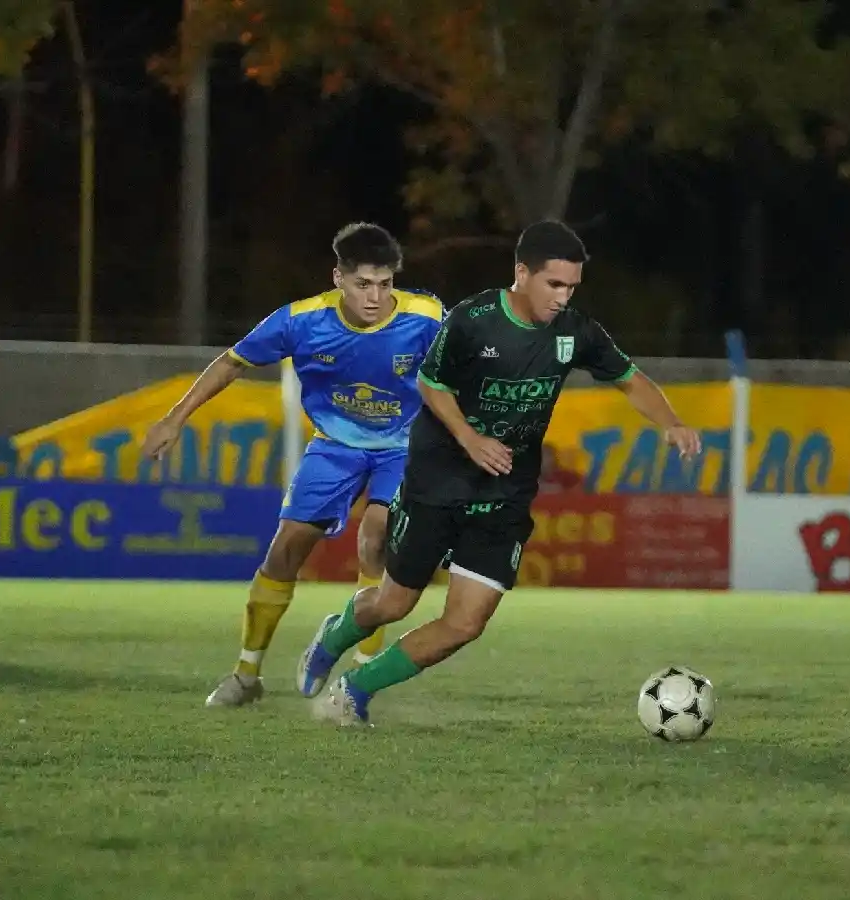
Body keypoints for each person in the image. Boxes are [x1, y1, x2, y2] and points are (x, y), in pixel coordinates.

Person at [295, 219, 702, 726]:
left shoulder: (575, 332)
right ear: (521, 273)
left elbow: (629, 378)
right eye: (554, 284)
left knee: (466, 622)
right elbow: (431, 384)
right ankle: (336, 634)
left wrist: (671, 423)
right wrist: (470, 438)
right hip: (437, 480)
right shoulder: (473, 319)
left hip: (505, 491)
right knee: (393, 603)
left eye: (572, 286)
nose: (563, 296)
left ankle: (355, 690)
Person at [141, 223, 443, 707]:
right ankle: (246, 674)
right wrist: (176, 418)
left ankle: (359, 673)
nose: (375, 296)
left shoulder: (425, 316)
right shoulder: (301, 321)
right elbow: (231, 362)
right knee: (285, 553)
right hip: (333, 447)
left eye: (385, 284)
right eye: (363, 284)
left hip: (403, 447)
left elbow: (459, 374)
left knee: (377, 536)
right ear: (338, 278)